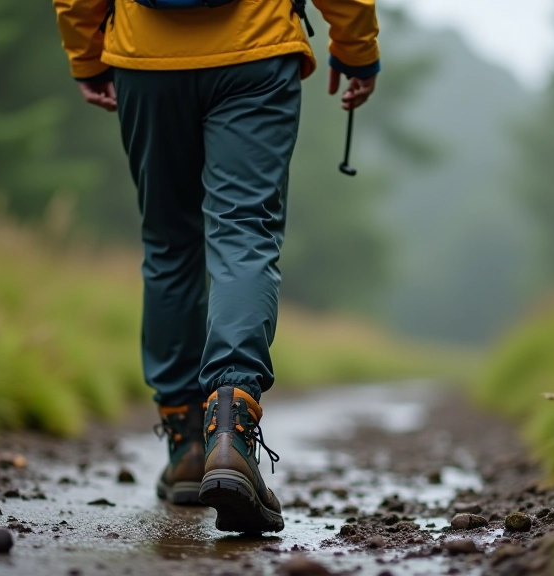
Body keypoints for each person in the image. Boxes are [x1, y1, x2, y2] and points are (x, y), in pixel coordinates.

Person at [52, 0, 380, 534]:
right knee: (244, 232)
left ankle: (184, 444)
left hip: (145, 58)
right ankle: (230, 433)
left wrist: (88, 55)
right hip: (256, 50)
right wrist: (356, 48)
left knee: (168, 247)